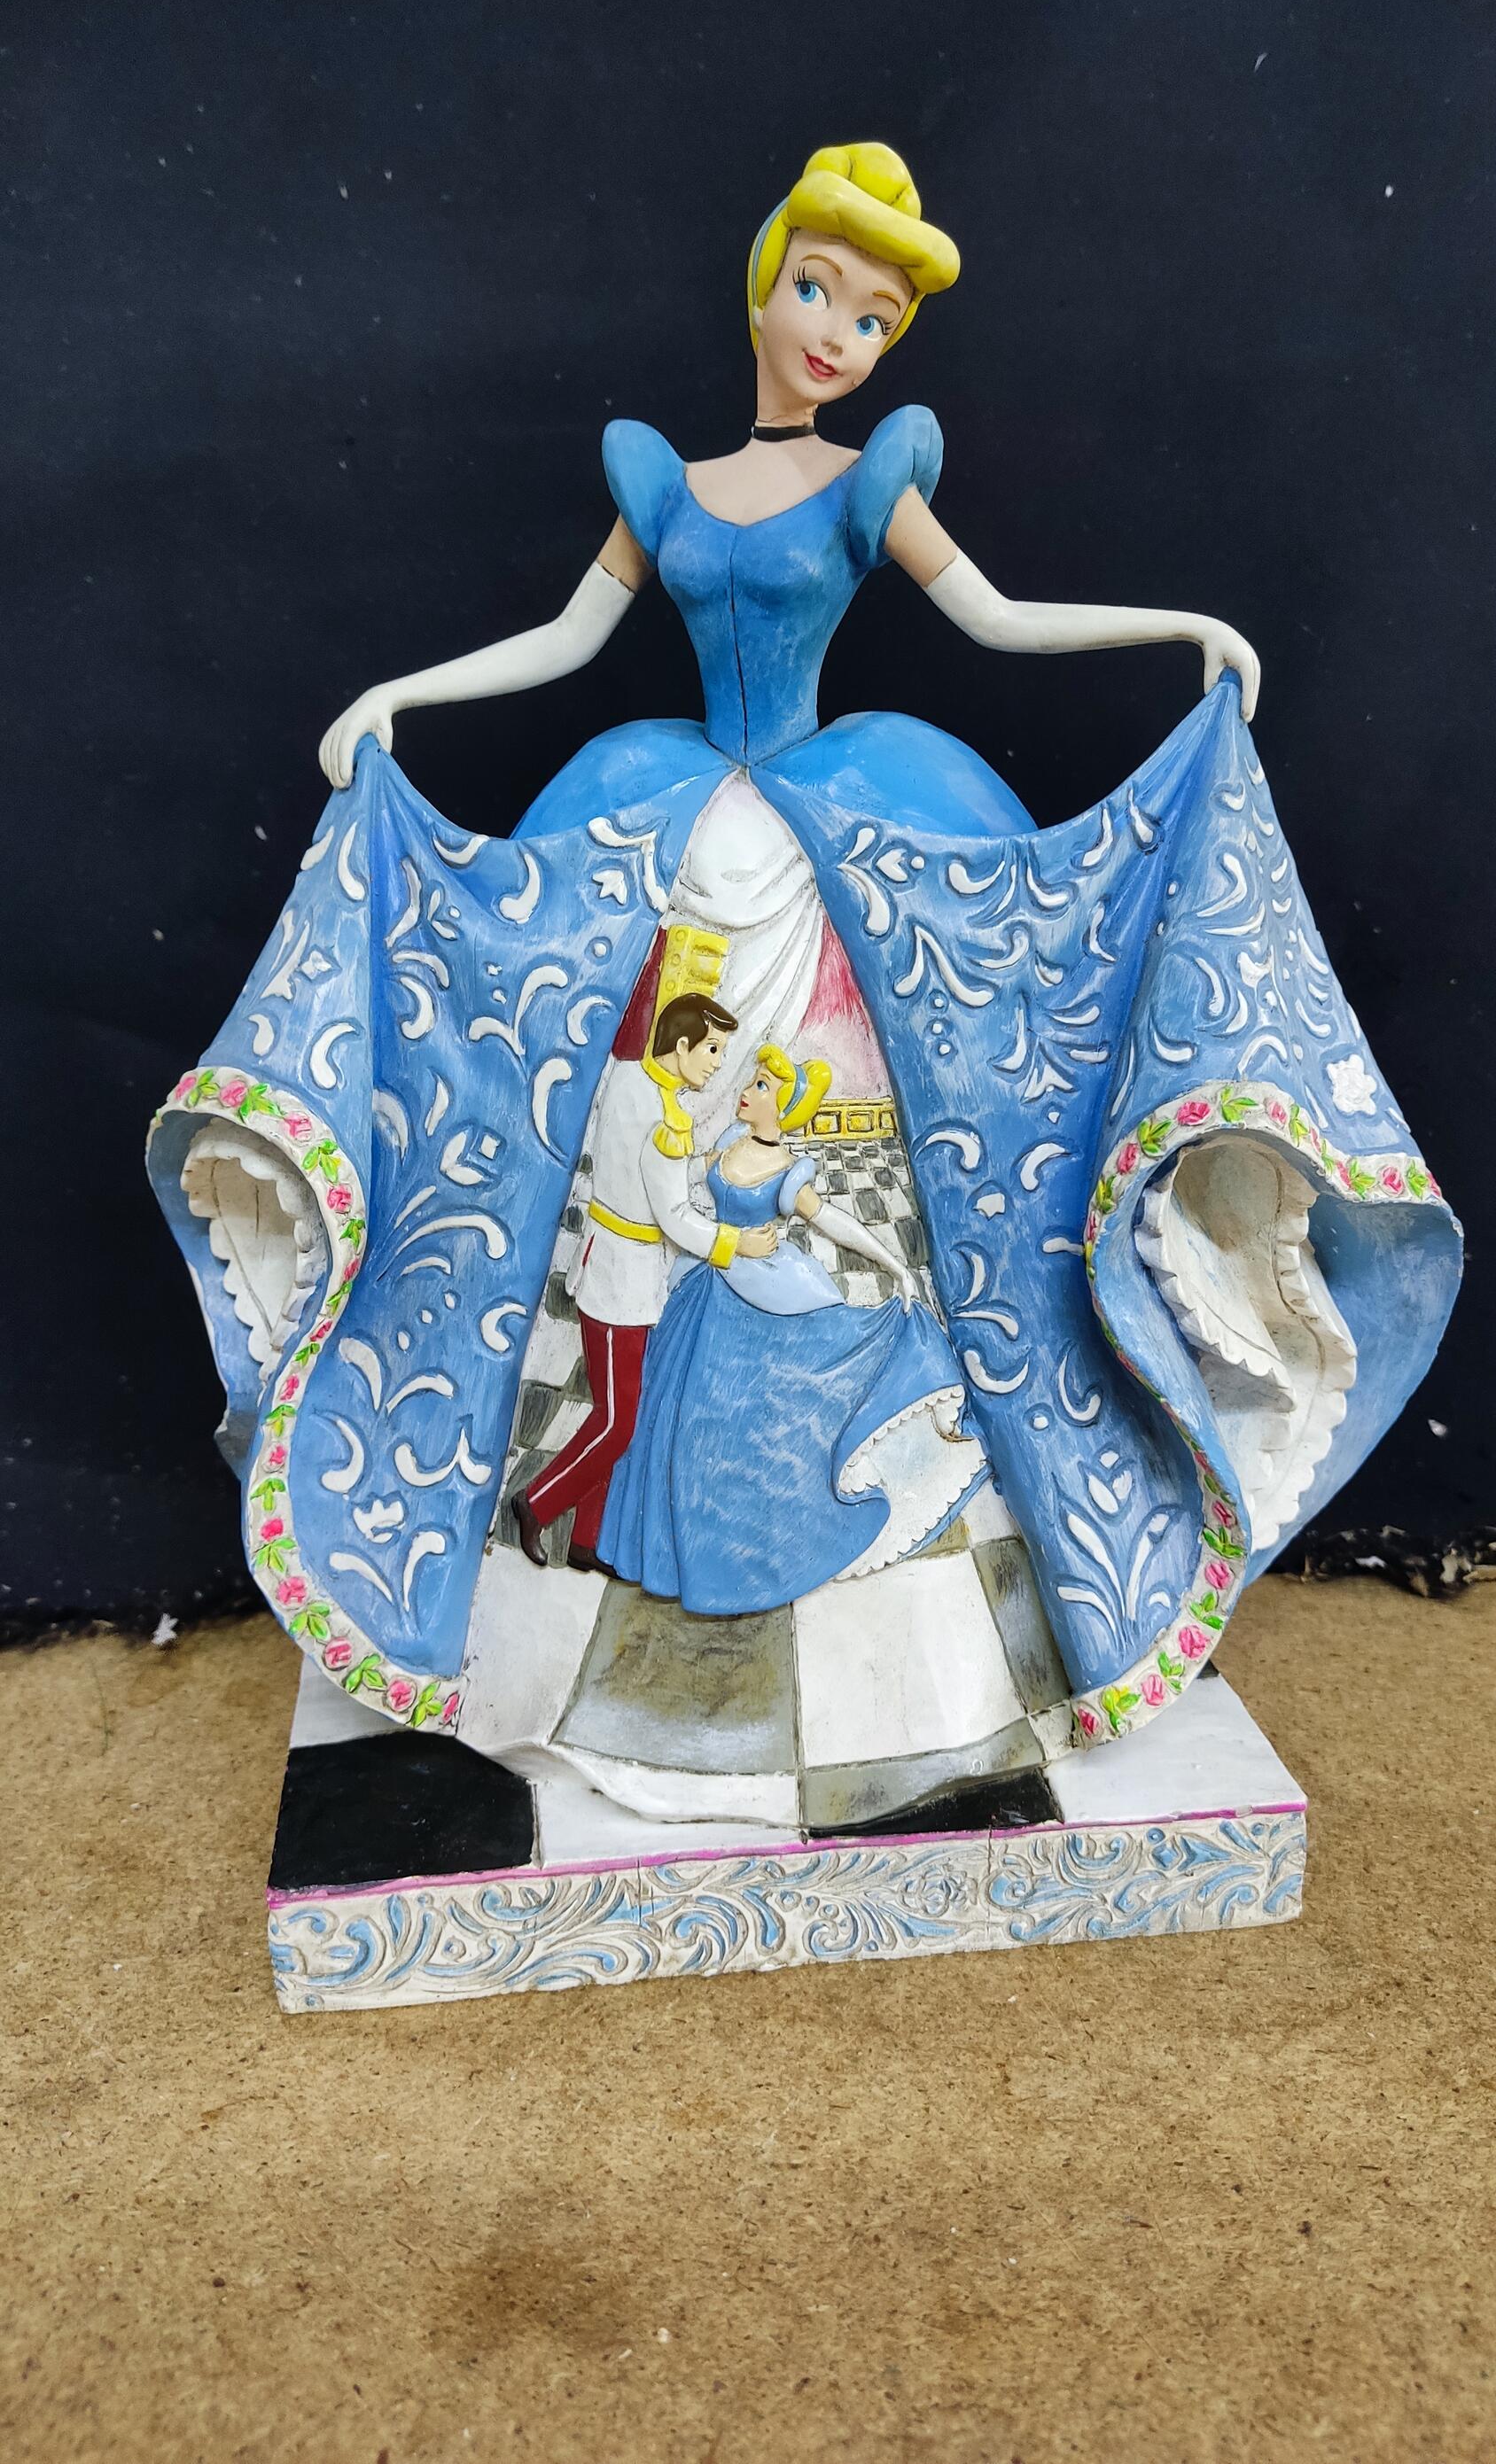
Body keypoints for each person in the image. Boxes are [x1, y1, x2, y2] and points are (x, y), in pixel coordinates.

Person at [152, 140, 1456, 1757]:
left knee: (890, 1105)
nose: (839, 332)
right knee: (604, 1101)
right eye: (822, 291)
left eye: (875, 318)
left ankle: (901, 1442)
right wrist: (398, 700)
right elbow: (566, 638)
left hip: (833, 822)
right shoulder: (662, 481)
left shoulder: (870, 477)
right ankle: (597, 1455)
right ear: (767, 284)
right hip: (678, 816)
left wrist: (1178, 632)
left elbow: (992, 617)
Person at [597, 1046, 988, 1614]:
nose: (745, 1091)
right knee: (678, 1418)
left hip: (765, 1294)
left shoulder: (788, 1171)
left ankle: (750, 1552)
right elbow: (679, 1180)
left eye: (760, 1086)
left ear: (782, 1104)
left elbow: (832, 1220)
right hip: (706, 1286)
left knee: (753, 1430)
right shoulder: (730, 1138)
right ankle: (672, 1553)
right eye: (751, 1082)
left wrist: (894, 1264)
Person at [515, 991, 777, 1571]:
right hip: (620, 1280)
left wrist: (697, 1166)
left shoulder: (631, 1080)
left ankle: (586, 1541)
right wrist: (735, 1242)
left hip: (610, 1265)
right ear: (681, 1045)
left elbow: (643, 1173)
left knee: (614, 1411)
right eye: (713, 1049)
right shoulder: (667, 1118)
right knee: (617, 1423)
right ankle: (537, 1503)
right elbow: (675, 1218)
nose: (717, 1063)